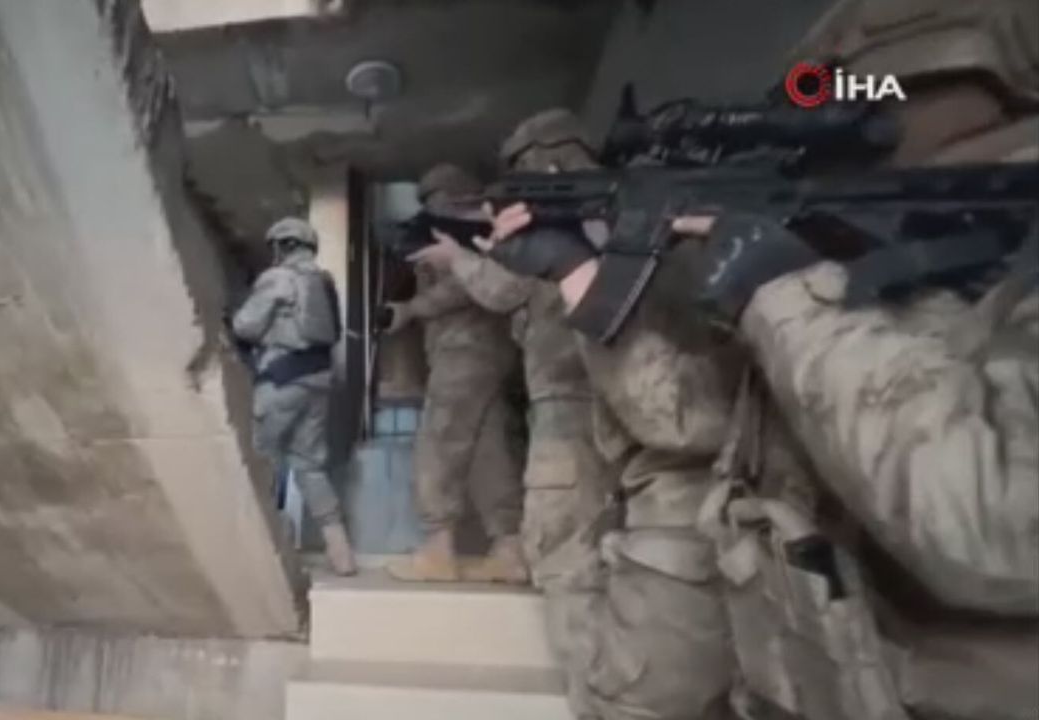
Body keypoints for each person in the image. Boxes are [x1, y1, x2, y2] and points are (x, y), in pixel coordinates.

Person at [479, 1, 1039, 716]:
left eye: (876, 93)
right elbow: (697, 418)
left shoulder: (987, 235)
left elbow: (992, 521)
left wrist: (776, 290)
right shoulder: (831, 240)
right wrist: (577, 271)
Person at [407, 112, 627, 720]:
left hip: (564, 392)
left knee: (566, 556)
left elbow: (502, 291)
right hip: (633, 396)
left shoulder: (553, 218)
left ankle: (604, 701)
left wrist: (454, 261)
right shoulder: (622, 211)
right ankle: (506, 549)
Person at [384, 164, 527, 584]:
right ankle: (510, 548)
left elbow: (463, 288)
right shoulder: (484, 236)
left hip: (465, 350)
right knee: (488, 449)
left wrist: (411, 309)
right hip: (486, 352)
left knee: (439, 439)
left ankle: (438, 548)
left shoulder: (472, 242)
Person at [232, 217, 357, 576]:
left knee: (262, 459)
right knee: (310, 466)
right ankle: (341, 554)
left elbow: (246, 326)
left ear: (282, 246)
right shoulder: (324, 281)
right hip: (318, 382)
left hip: (282, 381)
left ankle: (267, 550)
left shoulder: (278, 278)